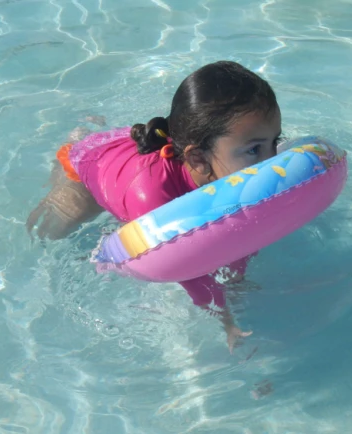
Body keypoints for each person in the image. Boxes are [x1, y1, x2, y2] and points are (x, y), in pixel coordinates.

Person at [26, 60, 282, 352]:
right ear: (198, 158)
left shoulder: (220, 164)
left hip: (141, 152)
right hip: (89, 170)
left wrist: (236, 278)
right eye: (254, 149)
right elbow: (189, 270)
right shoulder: (153, 199)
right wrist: (225, 321)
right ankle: (78, 138)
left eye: (276, 142)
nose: (273, 160)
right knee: (50, 231)